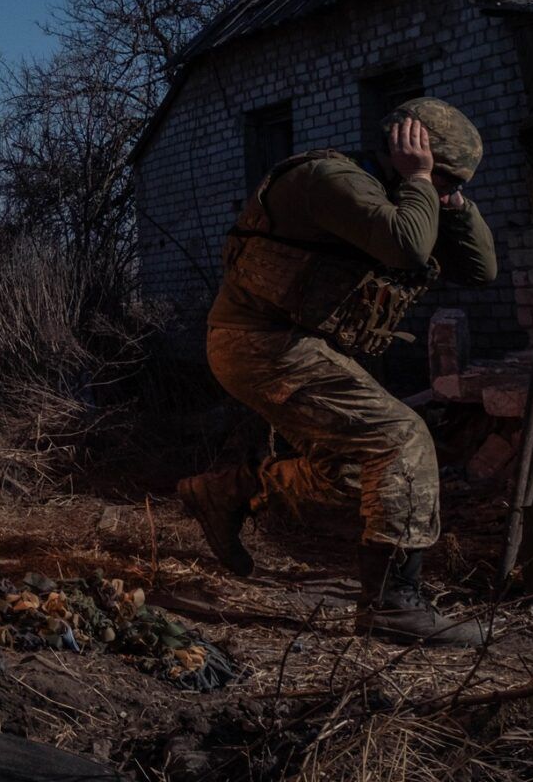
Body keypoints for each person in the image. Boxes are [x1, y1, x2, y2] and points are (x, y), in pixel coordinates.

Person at [177, 97, 497, 646]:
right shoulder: (331, 180)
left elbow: (481, 270)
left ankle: (230, 491)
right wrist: (421, 180)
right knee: (401, 438)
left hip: (295, 346)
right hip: (258, 342)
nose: (442, 188)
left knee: (358, 474)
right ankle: (392, 604)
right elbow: (405, 248)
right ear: (405, 149)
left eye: (453, 181)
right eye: (443, 174)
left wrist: (454, 201)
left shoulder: (408, 195)